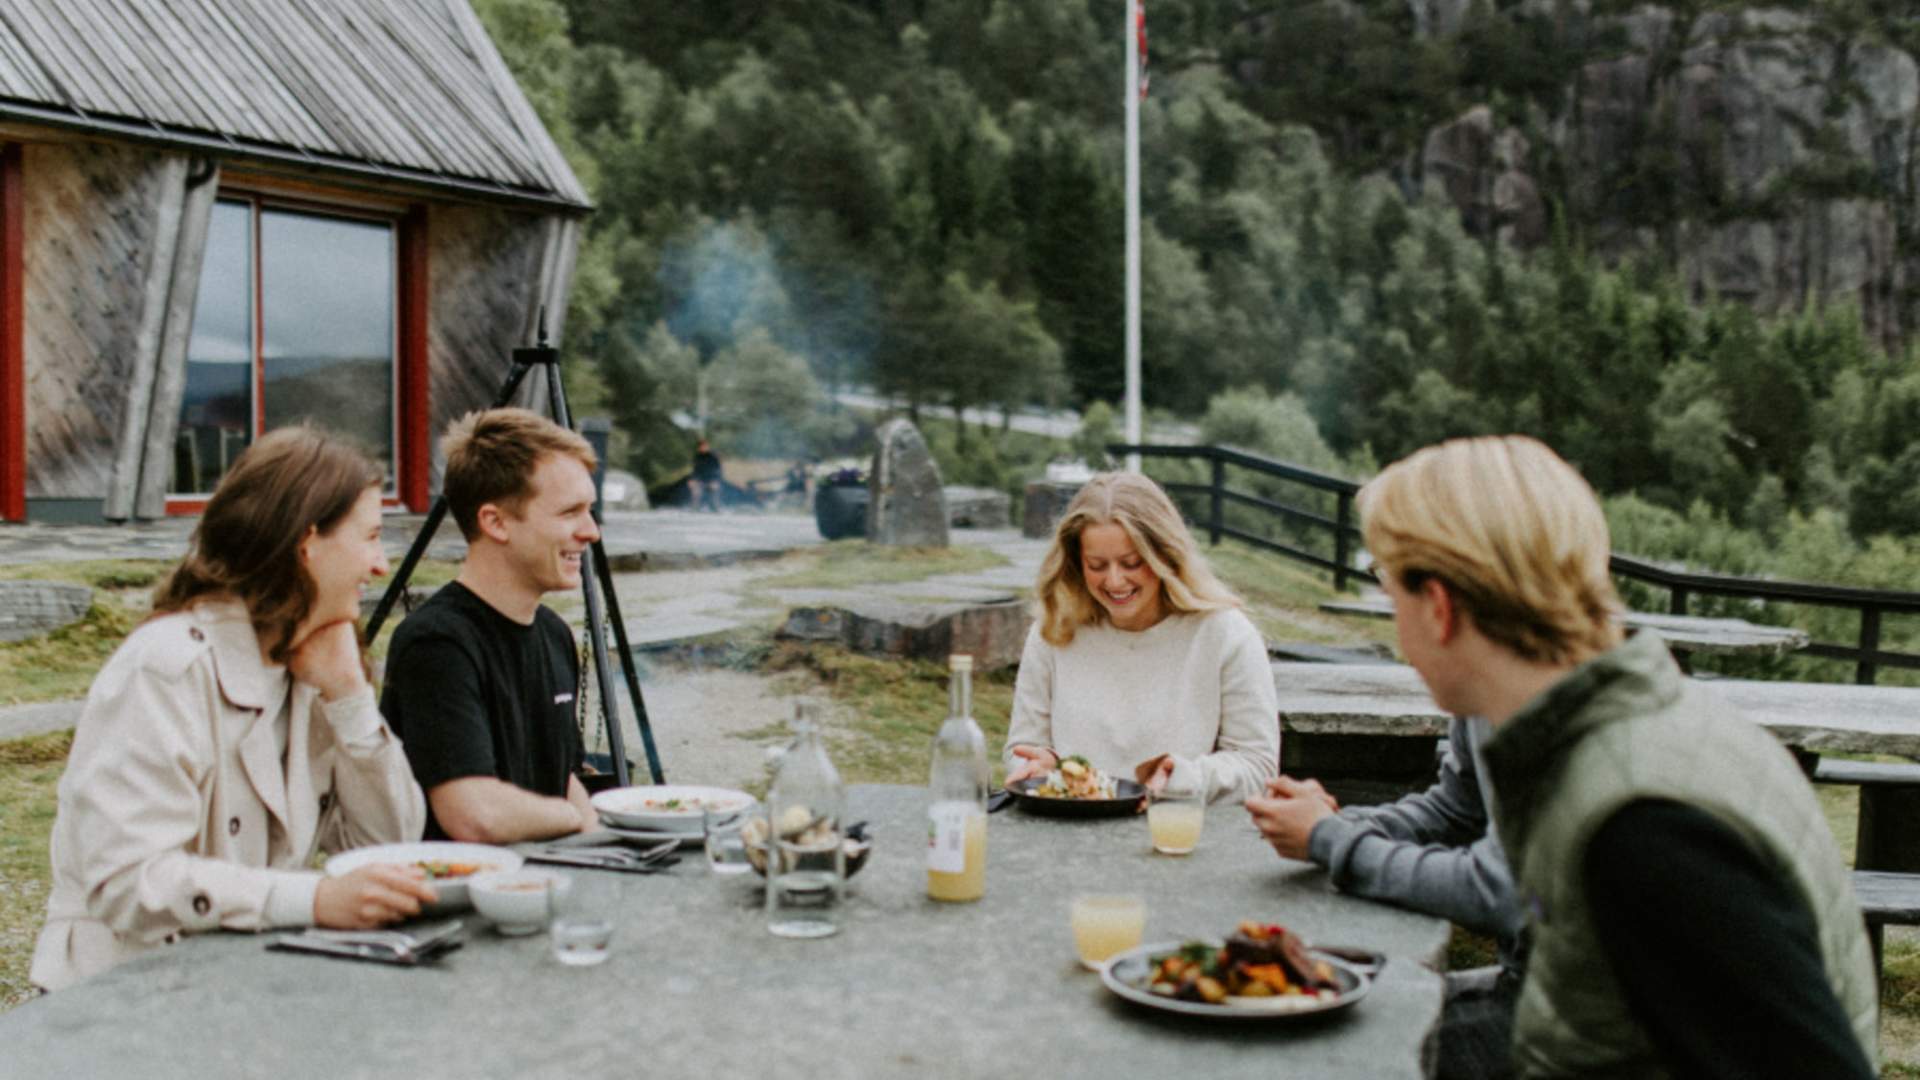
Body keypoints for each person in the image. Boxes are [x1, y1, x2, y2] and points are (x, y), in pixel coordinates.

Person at [1356, 434, 1876, 1078]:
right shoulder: (1622, 737)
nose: (1392, 624)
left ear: (1437, 607)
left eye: (1388, 592)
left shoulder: (1640, 821)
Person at [30, 428, 432, 992]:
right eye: (369, 537)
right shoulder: (166, 667)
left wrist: (351, 700)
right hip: (121, 1004)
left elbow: (384, 849)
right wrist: (312, 898)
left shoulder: (316, 664)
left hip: (238, 990)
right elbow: (128, 878)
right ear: (307, 543)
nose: (380, 563)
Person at [1246, 723, 1523, 1079]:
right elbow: (1456, 810)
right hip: (1522, 981)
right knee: (1300, 1000)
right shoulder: (1480, 705)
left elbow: (1500, 893)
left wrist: (1331, 839)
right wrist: (1332, 823)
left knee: (1310, 1047)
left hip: (1575, 1020)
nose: (1412, 665)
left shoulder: (1555, 717)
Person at [381, 408, 601, 843]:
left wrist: (598, 824)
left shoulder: (554, 634)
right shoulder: (436, 645)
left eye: (590, 510)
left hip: (541, 884)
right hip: (463, 898)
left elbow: (561, 777)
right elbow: (473, 813)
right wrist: (574, 818)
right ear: (495, 522)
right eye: (570, 512)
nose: (591, 531)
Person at [1003, 471, 1278, 802]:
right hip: (1069, 836)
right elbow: (1022, 749)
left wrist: (1184, 777)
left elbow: (1258, 768)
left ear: (1164, 556)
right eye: (1097, 565)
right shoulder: (1054, 630)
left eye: (1132, 563)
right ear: (1077, 562)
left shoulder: (1225, 634)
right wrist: (1041, 768)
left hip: (1177, 835)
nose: (1115, 582)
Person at [691, 438, 723, 512]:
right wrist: (693, 479)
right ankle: (695, 509)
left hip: (712, 479)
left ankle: (715, 509)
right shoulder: (697, 457)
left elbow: (719, 469)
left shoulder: (713, 456)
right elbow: (695, 470)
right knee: (696, 491)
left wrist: (716, 480)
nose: (702, 448)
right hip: (701, 479)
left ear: (707, 446)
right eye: (700, 447)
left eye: (704, 446)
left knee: (713, 495)